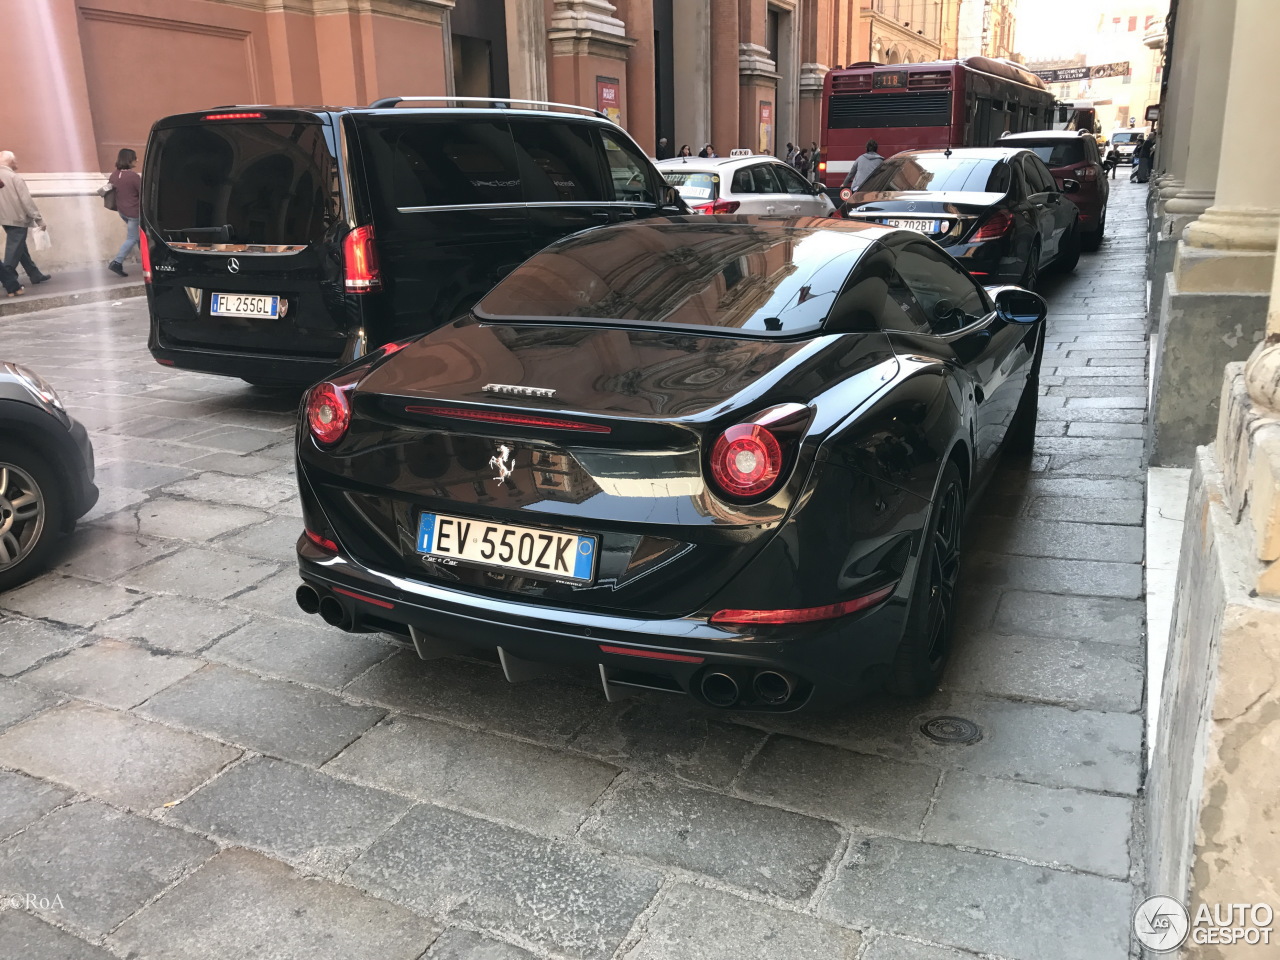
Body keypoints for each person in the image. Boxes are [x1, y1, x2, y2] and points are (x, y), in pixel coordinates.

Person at [0, 151, 48, 298]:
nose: (17, 163)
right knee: (14, 248)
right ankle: (9, 278)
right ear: (11, 162)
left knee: (19, 246)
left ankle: (34, 274)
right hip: (18, 217)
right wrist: (39, 219)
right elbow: (26, 201)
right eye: (15, 160)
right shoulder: (14, 177)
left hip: (3, 218)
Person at [107, 148, 142, 277]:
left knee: (139, 237)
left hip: (123, 211)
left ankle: (147, 261)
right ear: (129, 159)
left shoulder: (114, 175)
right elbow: (143, 194)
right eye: (135, 157)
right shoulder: (134, 177)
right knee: (132, 238)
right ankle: (117, 262)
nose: (137, 160)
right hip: (134, 212)